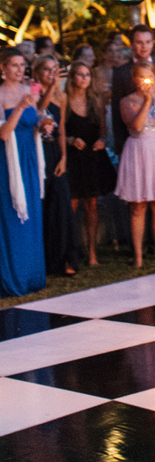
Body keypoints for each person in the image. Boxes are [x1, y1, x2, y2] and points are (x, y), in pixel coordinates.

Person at [116, 61, 155, 266]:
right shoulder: (127, 101)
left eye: (149, 76)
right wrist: (145, 101)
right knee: (138, 206)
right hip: (138, 150)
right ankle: (138, 255)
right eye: (142, 77)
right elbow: (136, 125)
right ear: (135, 79)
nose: (146, 80)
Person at [0, 48, 46, 297]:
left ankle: (32, 274)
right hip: (9, 159)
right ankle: (12, 276)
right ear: (3, 68)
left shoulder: (30, 91)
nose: (20, 70)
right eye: (14, 65)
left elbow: (34, 121)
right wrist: (19, 107)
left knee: (31, 213)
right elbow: (4, 133)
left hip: (29, 156)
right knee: (13, 214)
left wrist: (43, 123)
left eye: (22, 65)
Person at [65, 60, 116, 266]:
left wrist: (102, 140)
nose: (84, 78)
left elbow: (103, 129)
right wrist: (70, 140)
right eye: (80, 74)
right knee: (72, 205)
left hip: (92, 156)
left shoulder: (95, 101)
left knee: (92, 204)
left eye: (87, 74)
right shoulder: (65, 101)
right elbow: (60, 128)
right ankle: (69, 251)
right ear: (72, 77)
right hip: (73, 157)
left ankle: (92, 252)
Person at [34, 55, 80, 277]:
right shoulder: (32, 92)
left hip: (54, 151)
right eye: (46, 70)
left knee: (61, 204)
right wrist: (51, 88)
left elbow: (60, 129)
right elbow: (39, 112)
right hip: (36, 150)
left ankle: (66, 258)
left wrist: (64, 157)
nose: (51, 74)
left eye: (55, 70)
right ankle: (44, 259)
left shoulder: (61, 97)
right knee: (42, 205)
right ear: (38, 72)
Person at [111, 25, 155, 155]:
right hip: (135, 141)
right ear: (132, 44)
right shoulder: (121, 72)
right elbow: (116, 111)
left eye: (148, 42)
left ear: (153, 43)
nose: (144, 46)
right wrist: (120, 144)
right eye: (139, 42)